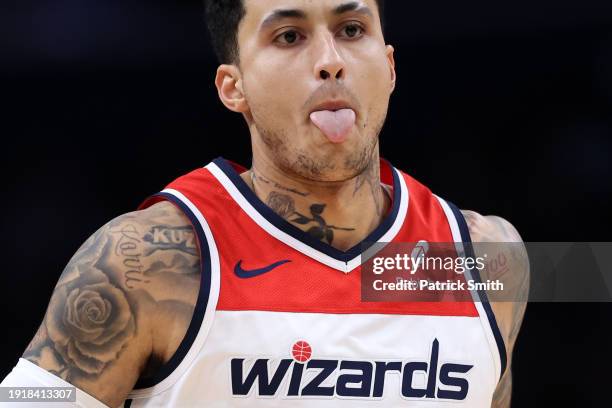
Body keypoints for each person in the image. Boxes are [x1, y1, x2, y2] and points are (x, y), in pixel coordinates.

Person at [1, 0, 529, 406]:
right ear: (235, 87)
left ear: (389, 67)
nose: (330, 62)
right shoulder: (145, 262)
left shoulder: (487, 258)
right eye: (289, 36)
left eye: (352, 30)